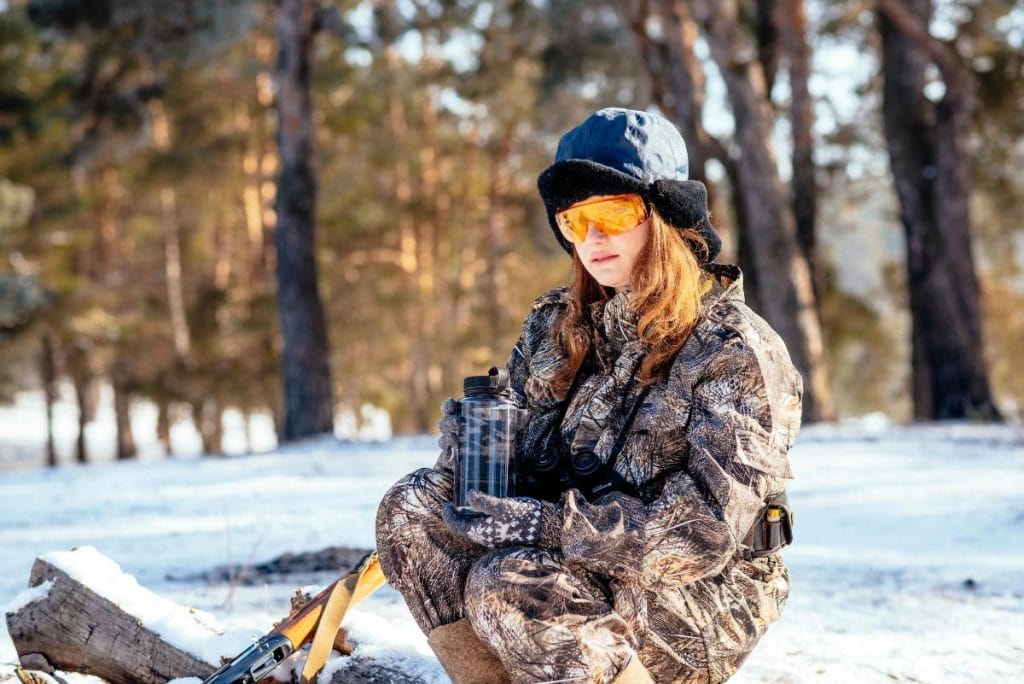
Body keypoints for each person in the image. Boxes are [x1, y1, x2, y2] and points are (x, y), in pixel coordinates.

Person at [376, 107, 802, 684]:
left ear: (669, 217)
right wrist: (474, 449)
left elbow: (700, 536)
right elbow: (508, 485)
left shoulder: (735, 349)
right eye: (576, 222)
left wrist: (546, 529)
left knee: (512, 583)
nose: (593, 238)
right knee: (414, 508)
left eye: (614, 211)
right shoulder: (558, 323)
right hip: (567, 563)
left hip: (699, 590)